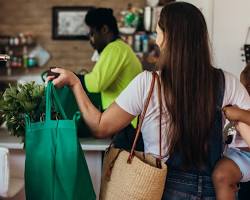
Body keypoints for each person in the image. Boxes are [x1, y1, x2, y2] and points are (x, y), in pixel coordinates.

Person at [47, 2, 250, 199]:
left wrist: (75, 83)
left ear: (167, 37)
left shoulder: (148, 83)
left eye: (157, 33)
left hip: (161, 189)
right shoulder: (228, 82)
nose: (156, 40)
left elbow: (100, 127)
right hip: (212, 191)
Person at [76, 8, 143, 148]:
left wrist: (72, 78)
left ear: (105, 29)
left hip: (126, 124)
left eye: (93, 33)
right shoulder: (119, 48)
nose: (91, 39)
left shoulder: (115, 49)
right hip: (125, 121)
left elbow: (96, 84)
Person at [212, 64, 250, 200]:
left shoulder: (237, 111)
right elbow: (227, 136)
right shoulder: (233, 104)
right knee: (221, 175)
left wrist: (240, 115)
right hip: (239, 155)